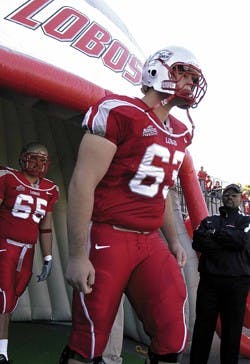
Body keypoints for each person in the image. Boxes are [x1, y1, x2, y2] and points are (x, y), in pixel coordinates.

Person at [59, 45, 207, 364]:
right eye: (184, 73)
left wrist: (171, 240)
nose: (191, 83)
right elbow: (83, 181)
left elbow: (161, 189)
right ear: (157, 71)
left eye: (194, 78)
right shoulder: (118, 111)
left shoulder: (179, 132)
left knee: (172, 330)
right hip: (108, 235)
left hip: (150, 240)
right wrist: (76, 254)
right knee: (91, 336)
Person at [0, 142, 59, 363]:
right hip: (5, 244)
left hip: (28, 250)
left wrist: (48, 257)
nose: (38, 163)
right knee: (3, 296)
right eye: (34, 157)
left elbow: (45, 226)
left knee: (13, 297)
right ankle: (2, 353)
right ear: (23, 157)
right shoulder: (8, 178)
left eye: (43, 159)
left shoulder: (50, 189)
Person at [189, 183, 250, 364]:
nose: (230, 198)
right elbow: (198, 241)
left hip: (237, 283)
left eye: (234, 195)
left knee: (232, 331)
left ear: (241, 199)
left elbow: (241, 241)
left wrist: (214, 235)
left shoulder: (246, 221)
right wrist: (226, 240)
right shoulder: (209, 220)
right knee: (203, 328)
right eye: (227, 195)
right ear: (222, 198)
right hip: (210, 282)